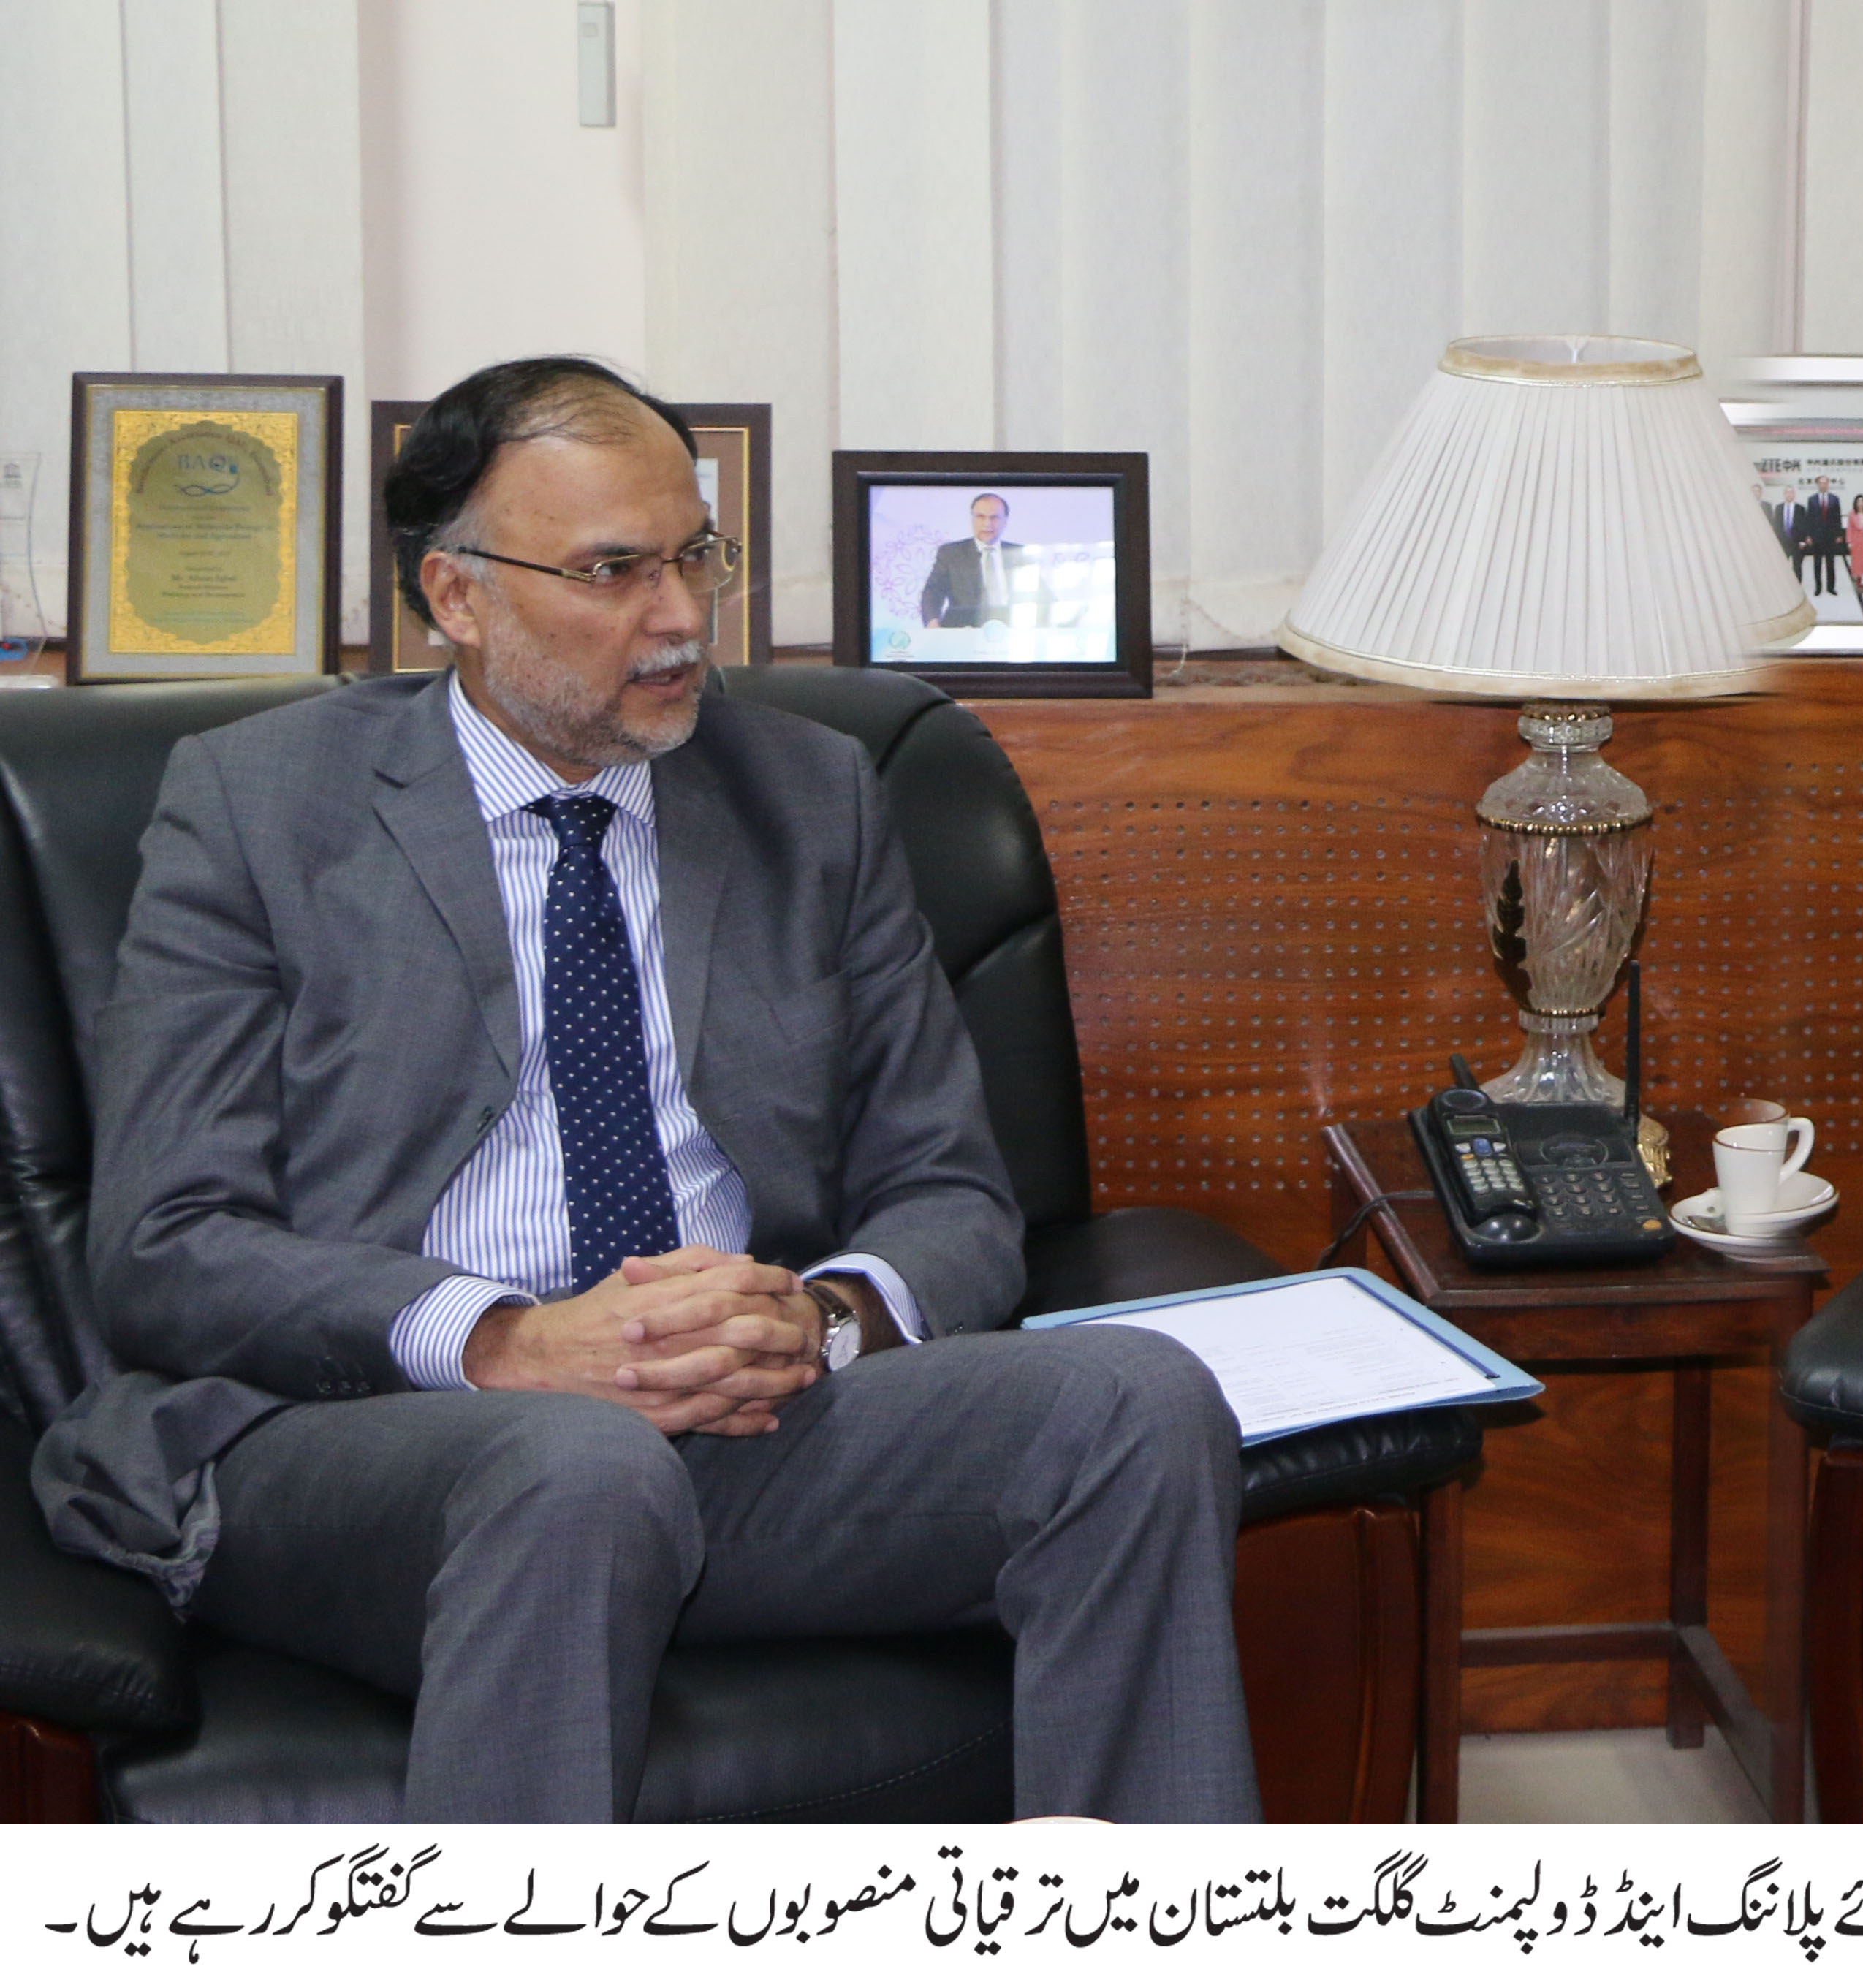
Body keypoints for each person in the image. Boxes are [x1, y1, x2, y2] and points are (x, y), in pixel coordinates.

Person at [37, 356, 1259, 1824]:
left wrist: (817, 1318)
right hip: (366, 1436)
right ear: (458, 596)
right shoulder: (257, 805)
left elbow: (948, 1192)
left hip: (737, 1419)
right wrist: (507, 1340)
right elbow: (168, 1243)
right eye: (614, 571)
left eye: (697, 557)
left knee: (1133, 1404)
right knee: (577, 1465)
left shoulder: (811, 796)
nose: (680, 618)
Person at [917, 493, 1023, 628]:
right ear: (972, 519)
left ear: (1005, 521)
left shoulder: (1020, 553)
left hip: (1013, 630)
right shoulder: (951, 553)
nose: (987, 524)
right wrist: (933, 623)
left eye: (994, 518)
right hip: (965, 632)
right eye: (981, 517)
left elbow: (1040, 595)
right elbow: (933, 592)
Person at [1807, 478, 1845, 596]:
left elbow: (1837, 518)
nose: (1823, 485)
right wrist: (1809, 535)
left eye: (1825, 483)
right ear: (1818, 485)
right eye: (1821, 483)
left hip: (1831, 536)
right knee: (1817, 563)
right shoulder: (1812, 500)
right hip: (1817, 536)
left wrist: (1839, 534)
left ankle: (1831, 588)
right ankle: (1818, 588)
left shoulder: (1835, 499)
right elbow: (1809, 519)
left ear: (1828, 484)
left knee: (1831, 563)